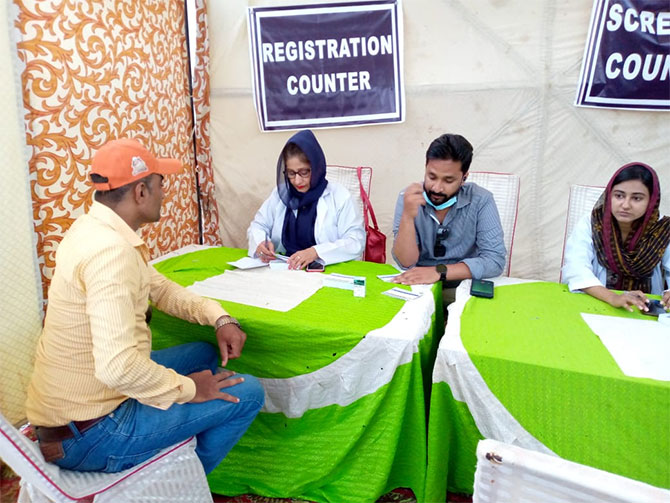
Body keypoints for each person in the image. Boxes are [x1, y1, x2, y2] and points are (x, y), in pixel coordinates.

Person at [25, 138, 264, 474]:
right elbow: (118, 368)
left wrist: (219, 317)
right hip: (91, 432)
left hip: (80, 410)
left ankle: (174, 457)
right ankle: (182, 486)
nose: (164, 193)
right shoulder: (111, 255)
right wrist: (191, 390)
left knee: (202, 352)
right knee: (249, 393)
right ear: (140, 192)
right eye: (160, 184)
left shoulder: (96, 230)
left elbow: (161, 290)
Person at [390, 133, 506, 304]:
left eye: (448, 180)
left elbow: (494, 260)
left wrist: (439, 271)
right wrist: (408, 216)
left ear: (464, 177)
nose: (437, 188)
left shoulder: (481, 200)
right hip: (420, 287)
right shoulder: (409, 197)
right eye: (431, 177)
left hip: (464, 287)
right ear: (425, 167)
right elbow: (405, 263)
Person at [248, 129, 365, 270]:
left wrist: (316, 252)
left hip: (324, 270)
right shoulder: (280, 194)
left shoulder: (339, 196)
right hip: (284, 269)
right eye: (291, 173)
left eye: (304, 172)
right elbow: (258, 225)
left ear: (316, 167)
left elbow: (356, 241)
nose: (297, 181)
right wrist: (262, 242)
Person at [562, 162, 670, 312]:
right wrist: (613, 297)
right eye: (619, 195)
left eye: (636, 198)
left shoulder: (663, 230)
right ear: (609, 195)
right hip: (597, 304)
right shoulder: (592, 223)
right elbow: (576, 269)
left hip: (646, 311)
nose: (625, 205)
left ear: (651, 201)